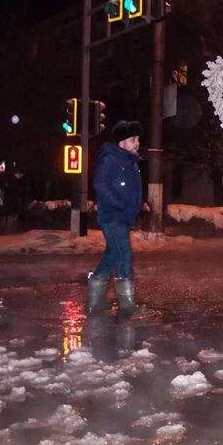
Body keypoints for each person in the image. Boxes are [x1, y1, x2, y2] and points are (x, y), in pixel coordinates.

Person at [88, 120, 145, 315]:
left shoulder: (130, 160)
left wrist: (137, 204)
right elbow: (100, 184)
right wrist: (118, 203)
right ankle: (127, 305)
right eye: (132, 139)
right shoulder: (111, 158)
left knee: (112, 255)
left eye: (137, 139)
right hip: (113, 216)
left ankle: (95, 302)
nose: (136, 143)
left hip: (124, 216)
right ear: (121, 142)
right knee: (124, 255)